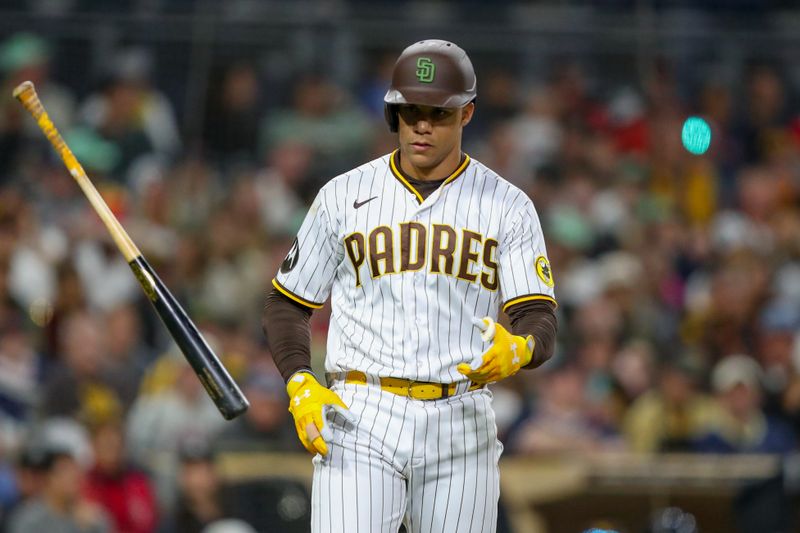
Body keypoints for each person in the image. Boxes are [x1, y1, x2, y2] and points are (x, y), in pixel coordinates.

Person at [262, 39, 558, 533]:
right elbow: (286, 304)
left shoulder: (507, 205)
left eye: (437, 113)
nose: (421, 125)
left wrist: (522, 349)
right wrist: (298, 381)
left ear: (466, 114)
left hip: (460, 416)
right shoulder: (343, 195)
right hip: (361, 412)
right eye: (409, 110)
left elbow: (539, 317)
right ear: (392, 112)